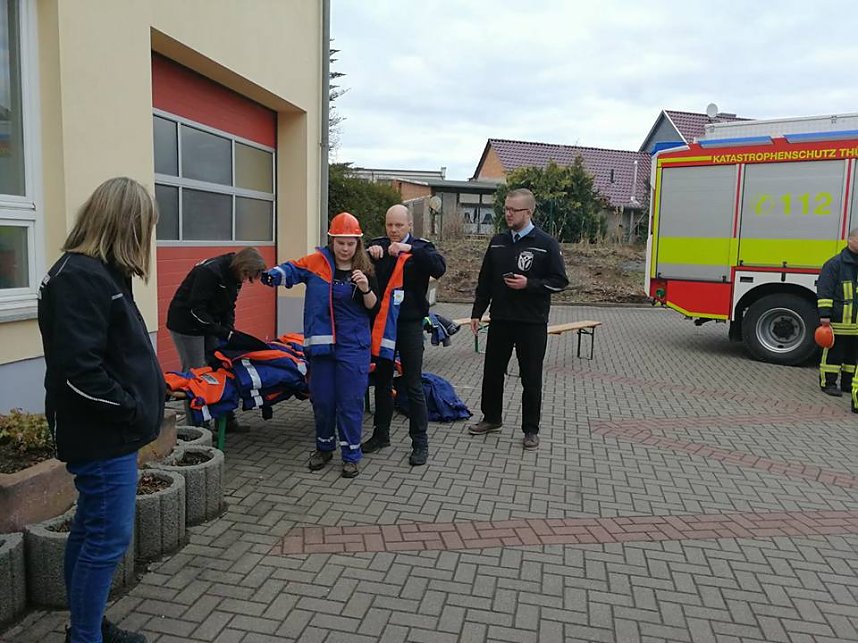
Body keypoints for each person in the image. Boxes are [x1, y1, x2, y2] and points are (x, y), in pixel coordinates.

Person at [37, 177, 164, 643]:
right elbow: (79, 371)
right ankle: (85, 637)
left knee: (91, 529)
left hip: (107, 431)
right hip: (101, 435)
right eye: (144, 228)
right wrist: (131, 409)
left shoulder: (100, 274)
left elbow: (115, 352)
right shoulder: (81, 278)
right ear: (124, 225)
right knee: (106, 540)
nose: (145, 240)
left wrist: (154, 387)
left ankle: (87, 626)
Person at [261, 212, 378, 477]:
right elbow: (293, 268)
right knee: (323, 401)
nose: (345, 248)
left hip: (353, 348)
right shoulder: (317, 263)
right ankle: (324, 448)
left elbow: (374, 307)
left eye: (350, 243)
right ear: (331, 240)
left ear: (358, 243)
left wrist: (365, 288)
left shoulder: (367, 270)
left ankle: (350, 455)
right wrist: (272, 275)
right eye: (340, 242)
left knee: (350, 402)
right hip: (322, 348)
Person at [467, 188, 568, 450]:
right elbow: (485, 280)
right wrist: (477, 312)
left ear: (529, 212)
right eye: (506, 209)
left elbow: (559, 282)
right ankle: (491, 418)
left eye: (514, 210)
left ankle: (531, 430)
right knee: (492, 373)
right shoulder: (498, 241)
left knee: (531, 377)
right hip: (500, 319)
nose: (508, 214)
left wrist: (529, 285)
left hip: (531, 323)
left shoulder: (546, 243)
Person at [361, 204, 447, 466]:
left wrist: (408, 249)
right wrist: (367, 253)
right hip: (383, 325)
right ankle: (381, 435)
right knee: (383, 381)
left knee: (413, 383)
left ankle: (420, 443)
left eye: (399, 225)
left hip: (409, 325)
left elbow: (439, 267)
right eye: (390, 225)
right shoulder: (379, 246)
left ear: (410, 225)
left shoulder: (422, 247)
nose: (394, 231)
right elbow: (353, 261)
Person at [166, 247, 267, 431]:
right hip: (186, 323)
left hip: (209, 321)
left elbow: (229, 306)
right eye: (246, 274)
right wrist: (219, 331)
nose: (245, 279)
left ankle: (227, 420)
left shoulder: (236, 275)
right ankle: (197, 428)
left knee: (220, 368)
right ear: (241, 265)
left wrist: (228, 330)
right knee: (196, 375)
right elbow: (195, 308)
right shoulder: (209, 272)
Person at [817, 228, 858, 404]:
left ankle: (848, 384)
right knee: (833, 354)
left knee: (852, 357)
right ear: (850, 240)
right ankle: (829, 383)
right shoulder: (835, 264)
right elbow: (825, 290)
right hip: (839, 320)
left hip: (856, 324)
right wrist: (825, 315)